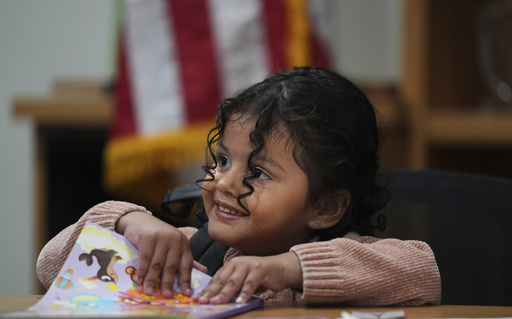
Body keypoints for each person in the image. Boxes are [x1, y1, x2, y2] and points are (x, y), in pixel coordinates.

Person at [37, 67, 441, 306]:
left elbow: (421, 271)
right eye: (223, 160)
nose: (225, 182)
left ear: (326, 206)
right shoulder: (188, 257)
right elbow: (51, 266)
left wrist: (287, 269)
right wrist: (129, 222)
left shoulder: (349, 264)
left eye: (259, 173)